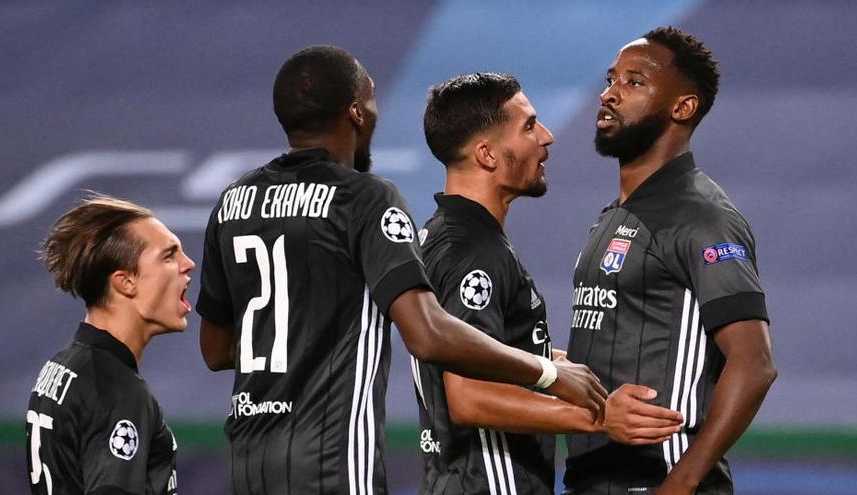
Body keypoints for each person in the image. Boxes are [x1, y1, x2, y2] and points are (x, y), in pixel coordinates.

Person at [196, 45, 606, 494]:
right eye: (372, 102)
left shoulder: (233, 201)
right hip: (332, 458)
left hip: (248, 458)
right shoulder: (365, 198)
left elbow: (216, 350)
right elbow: (429, 334)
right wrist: (547, 374)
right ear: (355, 112)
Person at [415, 72, 683, 494]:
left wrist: (553, 361)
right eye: (528, 126)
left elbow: (484, 349)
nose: (547, 136)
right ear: (486, 154)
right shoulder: (471, 252)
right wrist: (597, 418)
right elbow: (468, 395)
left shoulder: (446, 234)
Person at [563, 27, 777, 495]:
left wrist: (680, 483)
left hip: (658, 479)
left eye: (634, 82)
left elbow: (754, 362)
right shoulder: (615, 216)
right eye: (611, 78)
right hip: (594, 479)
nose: (610, 94)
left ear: (682, 107)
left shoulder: (700, 215)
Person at [26, 194, 194, 494]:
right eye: (169, 256)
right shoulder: (117, 391)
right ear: (125, 281)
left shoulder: (64, 367)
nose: (188, 264)